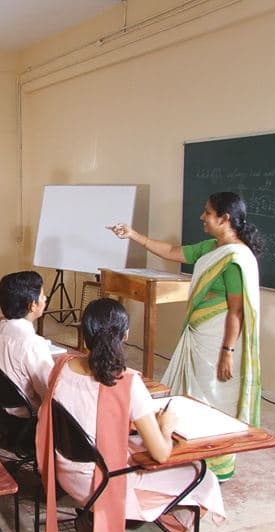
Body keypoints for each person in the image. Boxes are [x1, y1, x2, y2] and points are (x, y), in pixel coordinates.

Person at [35, 298, 224, 532]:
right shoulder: (126, 383)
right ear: (124, 336)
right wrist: (165, 426)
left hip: (66, 475)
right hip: (104, 484)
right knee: (204, 476)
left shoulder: (62, 366)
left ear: (84, 332)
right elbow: (161, 453)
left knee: (138, 448)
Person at [107, 191, 262, 481]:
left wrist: (227, 352)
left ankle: (213, 463)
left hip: (218, 342)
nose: (202, 217)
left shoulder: (234, 258)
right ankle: (184, 452)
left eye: (208, 212)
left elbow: (236, 311)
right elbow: (171, 251)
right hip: (199, 335)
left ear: (224, 218)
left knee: (211, 400)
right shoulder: (213, 247)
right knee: (192, 395)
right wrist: (133, 234)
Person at [0, 271, 56, 416]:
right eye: (42, 295)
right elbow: (49, 392)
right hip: (28, 415)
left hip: (2, 410)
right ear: (33, 305)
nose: (45, 298)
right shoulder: (33, 344)